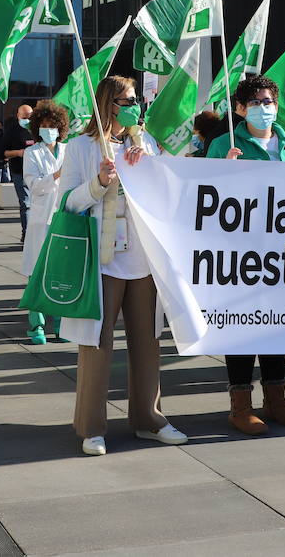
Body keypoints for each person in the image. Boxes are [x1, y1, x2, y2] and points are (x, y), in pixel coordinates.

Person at [61, 75, 187, 457]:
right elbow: (66, 202)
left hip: (144, 260)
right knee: (97, 345)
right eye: (129, 100)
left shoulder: (146, 143)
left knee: (149, 342)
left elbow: (172, 187)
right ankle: (91, 427)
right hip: (103, 260)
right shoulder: (81, 148)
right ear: (109, 104)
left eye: (136, 99)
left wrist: (149, 168)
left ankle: (150, 419)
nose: (136, 106)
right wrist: (99, 181)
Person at [205, 75, 285, 433]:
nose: (265, 109)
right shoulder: (224, 144)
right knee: (242, 327)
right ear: (240, 109)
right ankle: (240, 406)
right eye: (257, 103)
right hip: (242, 253)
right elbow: (204, 195)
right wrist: (221, 171)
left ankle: (276, 401)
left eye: (269, 102)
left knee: (278, 325)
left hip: (284, 253)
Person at [20, 100, 70, 344]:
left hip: (65, 218)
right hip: (41, 219)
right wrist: (57, 174)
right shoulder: (31, 153)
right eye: (43, 124)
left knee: (61, 272)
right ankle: (36, 324)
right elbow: (35, 185)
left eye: (52, 124)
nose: (48, 128)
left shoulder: (69, 150)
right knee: (37, 272)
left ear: (60, 127)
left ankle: (61, 324)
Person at [2, 104, 36, 241]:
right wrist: (19, 153)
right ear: (18, 116)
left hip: (38, 172)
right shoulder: (12, 131)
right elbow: (4, 153)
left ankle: (38, 231)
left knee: (39, 203)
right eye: (24, 117)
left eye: (30, 117)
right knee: (26, 203)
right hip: (19, 171)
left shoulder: (37, 129)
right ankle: (27, 234)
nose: (27, 120)